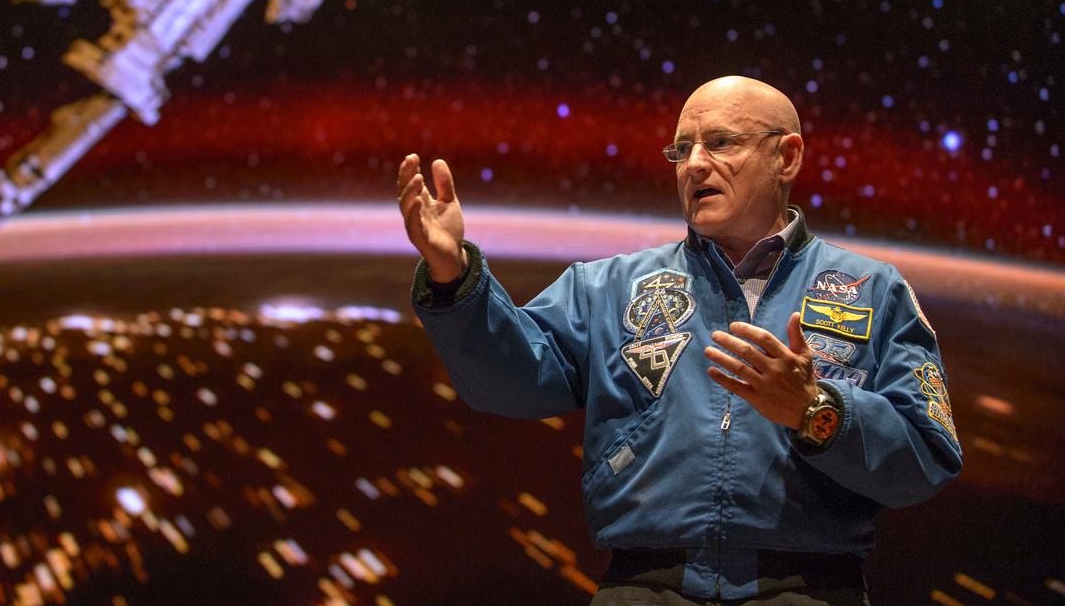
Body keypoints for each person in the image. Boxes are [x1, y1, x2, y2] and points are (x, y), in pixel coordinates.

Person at [395, 76, 962, 604]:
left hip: (810, 590)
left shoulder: (873, 289)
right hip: (643, 588)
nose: (694, 165)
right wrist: (454, 276)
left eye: (720, 142)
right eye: (681, 149)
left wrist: (818, 412)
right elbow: (508, 381)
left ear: (786, 157)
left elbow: (926, 458)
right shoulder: (608, 286)